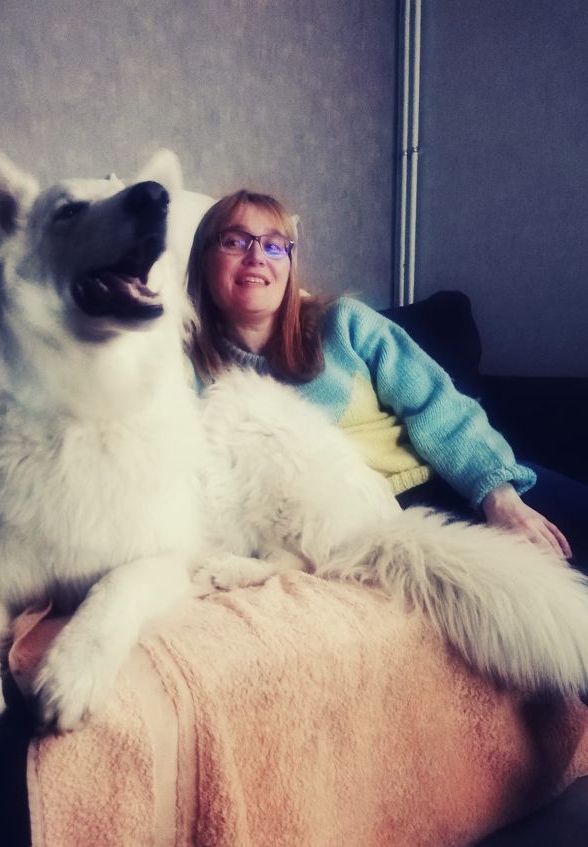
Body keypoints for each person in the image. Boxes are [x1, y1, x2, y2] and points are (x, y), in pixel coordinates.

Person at [186, 190, 587, 571]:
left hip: (462, 483)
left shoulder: (344, 324)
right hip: (372, 527)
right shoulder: (193, 376)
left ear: (290, 267)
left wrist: (499, 497)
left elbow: (439, 405)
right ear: (203, 259)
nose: (257, 256)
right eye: (235, 241)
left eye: (274, 246)